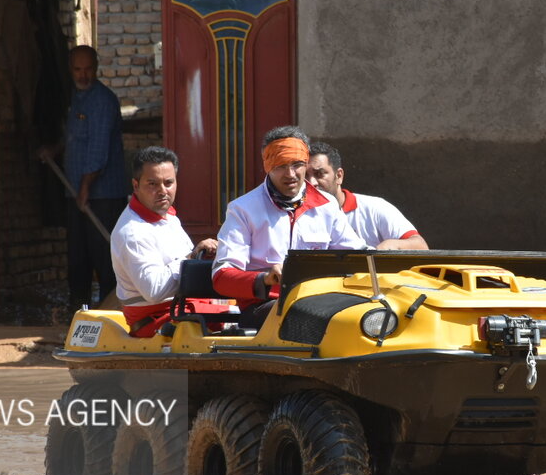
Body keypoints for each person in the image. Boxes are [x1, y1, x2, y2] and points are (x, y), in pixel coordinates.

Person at [212, 126, 366, 322]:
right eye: (280, 166)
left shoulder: (327, 206)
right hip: (264, 306)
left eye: (297, 164)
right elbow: (221, 277)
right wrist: (265, 279)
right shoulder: (242, 209)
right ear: (267, 166)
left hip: (324, 301)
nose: (291, 174)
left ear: (306, 164)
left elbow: (358, 255)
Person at [39, 45, 127, 310]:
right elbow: (75, 138)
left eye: (88, 69)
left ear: (96, 68)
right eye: (78, 69)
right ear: (70, 70)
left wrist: (85, 188)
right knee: (78, 258)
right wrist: (53, 150)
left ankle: (112, 313)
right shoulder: (76, 98)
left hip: (102, 197)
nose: (83, 75)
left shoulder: (102, 100)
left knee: (104, 258)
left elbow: (98, 149)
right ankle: (78, 314)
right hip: (78, 193)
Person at [111, 146, 218, 337]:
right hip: (156, 320)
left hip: (184, 309)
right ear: (136, 185)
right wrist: (193, 257)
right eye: (152, 184)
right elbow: (154, 290)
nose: (162, 191)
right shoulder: (133, 232)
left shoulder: (169, 217)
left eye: (168, 183)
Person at [308, 142, 428, 250]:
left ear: (339, 176)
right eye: (305, 176)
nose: (311, 183)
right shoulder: (299, 215)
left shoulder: (375, 208)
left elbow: (420, 246)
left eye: (319, 174)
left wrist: (391, 245)